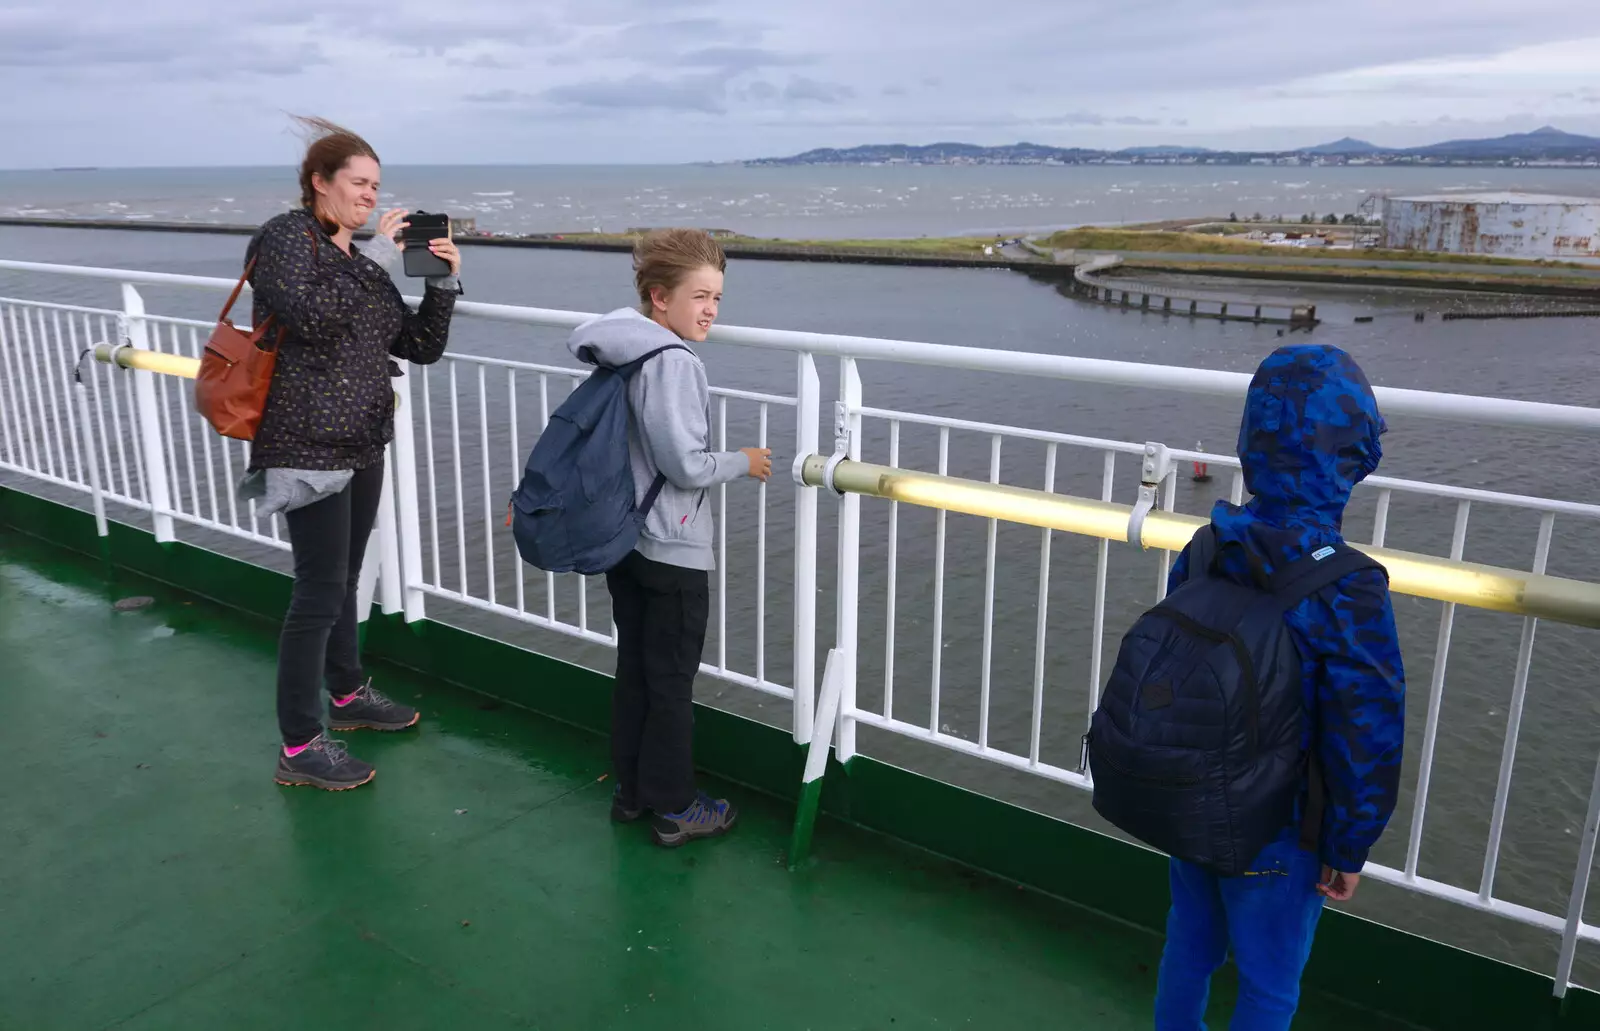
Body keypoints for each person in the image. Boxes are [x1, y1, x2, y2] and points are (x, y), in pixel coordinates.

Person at [1153, 344, 1406, 1030]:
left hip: (1191, 800)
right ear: (1354, 455)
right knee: (1268, 984)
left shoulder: (1210, 544)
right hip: (1279, 829)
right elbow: (1367, 731)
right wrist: (1348, 845)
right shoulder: (1348, 585)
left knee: (1190, 945)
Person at [244, 116, 463, 791]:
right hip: (306, 440)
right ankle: (299, 744)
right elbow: (308, 316)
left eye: (376, 185)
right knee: (317, 590)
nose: (371, 196)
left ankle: (346, 694)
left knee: (343, 577)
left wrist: (442, 283)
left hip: (363, 439)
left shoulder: (359, 266)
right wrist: (379, 259)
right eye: (359, 183)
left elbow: (418, 345)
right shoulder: (287, 239)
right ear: (320, 183)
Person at [565, 229, 772, 847]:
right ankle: (678, 807)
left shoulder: (623, 350)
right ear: (660, 297)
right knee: (672, 682)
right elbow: (685, 465)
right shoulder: (674, 362)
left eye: (717, 298)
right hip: (672, 547)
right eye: (699, 296)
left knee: (637, 671)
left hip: (625, 540)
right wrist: (744, 460)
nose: (710, 310)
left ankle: (632, 794)